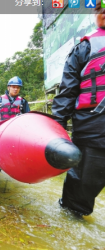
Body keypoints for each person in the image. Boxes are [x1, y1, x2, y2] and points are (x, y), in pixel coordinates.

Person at [52, 2, 105, 216]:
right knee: (81, 184)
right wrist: (58, 128)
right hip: (93, 125)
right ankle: (72, 214)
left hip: (92, 127)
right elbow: (67, 91)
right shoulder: (84, 47)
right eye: (99, 9)